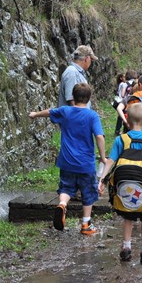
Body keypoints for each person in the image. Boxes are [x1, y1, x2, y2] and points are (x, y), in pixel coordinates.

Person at [29, 83, 107, 235]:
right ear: (89, 98)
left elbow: (49, 112)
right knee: (88, 193)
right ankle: (86, 224)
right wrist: (103, 156)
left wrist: (35, 114)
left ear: (73, 96)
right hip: (85, 163)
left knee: (66, 188)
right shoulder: (92, 115)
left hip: (66, 161)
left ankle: (63, 204)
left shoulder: (65, 111)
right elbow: (99, 136)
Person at [98, 103, 142, 264]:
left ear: (127, 121)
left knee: (127, 217)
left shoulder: (121, 140)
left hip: (124, 188)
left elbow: (110, 161)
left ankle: (126, 248)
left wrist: (101, 180)